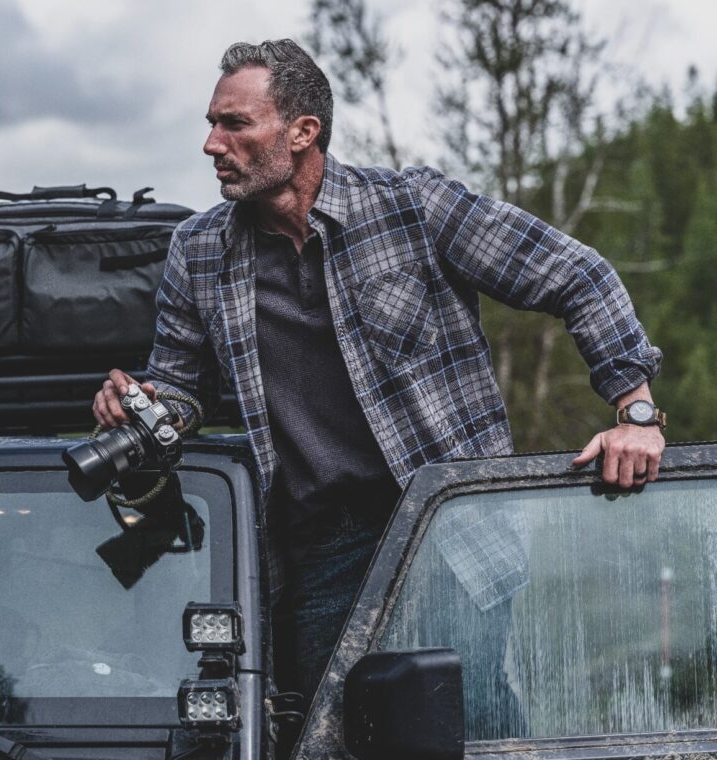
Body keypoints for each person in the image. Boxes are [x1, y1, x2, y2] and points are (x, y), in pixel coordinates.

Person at [92, 39, 665, 712]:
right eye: (212, 124)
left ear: (303, 132)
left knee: (465, 722)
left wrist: (636, 413)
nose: (212, 144)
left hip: (449, 532)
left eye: (235, 124)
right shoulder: (199, 249)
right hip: (317, 549)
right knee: (332, 732)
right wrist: (146, 405)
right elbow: (181, 392)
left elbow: (579, 274)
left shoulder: (413, 208)